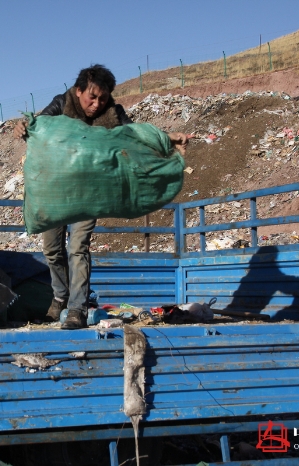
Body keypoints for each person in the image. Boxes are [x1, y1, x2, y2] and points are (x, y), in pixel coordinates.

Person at [14, 64, 189, 329]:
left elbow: (137, 137)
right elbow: (40, 126)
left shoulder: (113, 113)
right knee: (52, 250)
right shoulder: (62, 104)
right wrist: (24, 126)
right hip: (55, 190)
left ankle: (77, 308)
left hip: (89, 193)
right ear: (78, 90)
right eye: (92, 97)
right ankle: (60, 297)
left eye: (103, 98)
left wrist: (168, 138)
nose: (97, 104)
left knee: (78, 247)